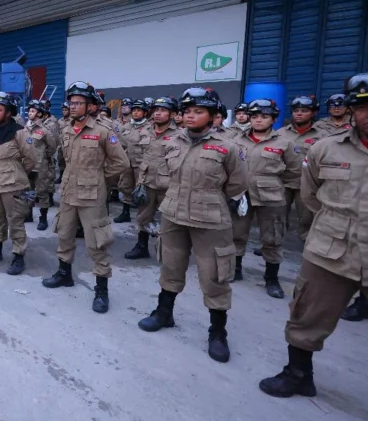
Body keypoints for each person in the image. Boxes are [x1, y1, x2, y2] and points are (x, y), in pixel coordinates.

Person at [258, 72, 368, 421]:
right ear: (351, 111)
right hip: (330, 252)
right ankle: (298, 375)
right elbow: (311, 197)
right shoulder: (326, 149)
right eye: (363, 106)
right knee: (305, 316)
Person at [137, 87, 248, 364]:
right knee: (170, 266)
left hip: (210, 218)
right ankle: (164, 313)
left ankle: (218, 332)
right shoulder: (173, 141)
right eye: (187, 111)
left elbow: (238, 184)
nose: (190, 116)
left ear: (212, 116)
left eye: (198, 111)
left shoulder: (228, 147)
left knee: (214, 275)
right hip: (174, 213)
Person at [42, 82, 132, 313]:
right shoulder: (66, 129)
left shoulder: (103, 131)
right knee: (64, 234)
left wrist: (101, 179)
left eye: (78, 103)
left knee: (97, 243)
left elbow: (121, 163)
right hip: (69, 192)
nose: (73, 107)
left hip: (92, 195)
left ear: (90, 105)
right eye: (71, 102)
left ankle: (101, 290)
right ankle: (64, 274)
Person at [229, 99, 301, 296]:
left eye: (264, 116)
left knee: (273, 237)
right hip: (241, 195)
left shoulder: (285, 143)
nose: (258, 120)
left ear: (274, 119)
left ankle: (271, 279)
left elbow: (293, 172)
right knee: (236, 233)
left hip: (271, 197)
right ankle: (235, 270)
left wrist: (271, 184)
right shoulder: (236, 141)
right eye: (255, 116)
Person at [0, 92, 37, 274]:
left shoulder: (20, 132)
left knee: (15, 221)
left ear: (9, 112)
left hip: (13, 185)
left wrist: (16, 173)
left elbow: (31, 159)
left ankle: (18, 255)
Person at [125, 96, 179, 260]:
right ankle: (141, 247)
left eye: (163, 110)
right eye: (156, 110)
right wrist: (139, 182)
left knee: (170, 220)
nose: (158, 113)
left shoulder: (180, 135)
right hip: (147, 183)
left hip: (168, 186)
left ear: (172, 114)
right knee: (143, 217)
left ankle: (168, 251)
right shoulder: (145, 131)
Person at [277, 95, 328, 243]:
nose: (299, 113)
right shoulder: (281, 133)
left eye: (304, 110)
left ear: (313, 113)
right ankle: (273, 244)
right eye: (296, 110)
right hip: (284, 182)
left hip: (307, 183)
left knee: (307, 216)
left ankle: (308, 244)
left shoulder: (322, 135)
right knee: (278, 215)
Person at [115, 99, 151, 224]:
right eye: (134, 110)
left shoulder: (149, 127)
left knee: (141, 190)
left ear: (145, 113)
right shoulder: (127, 126)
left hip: (141, 164)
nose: (135, 113)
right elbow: (120, 144)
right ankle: (125, 213)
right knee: (126, 187)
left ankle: (143, 217)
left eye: (139, 110)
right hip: (127, 162)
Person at [24, 99, 57, 230]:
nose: (30, 113)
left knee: (42, 192)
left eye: (33, 111)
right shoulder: (25, 129)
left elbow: (52, 148)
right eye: (29, 111)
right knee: (28, 191)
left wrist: (43, 158)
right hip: (27, 166)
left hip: (40, 167)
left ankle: (43, 218)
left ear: (39, 114)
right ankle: (28, 214)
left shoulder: (44, 130)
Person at [56, 101, 70, 184]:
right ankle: (61, 177)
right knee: (60, 161)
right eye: (63, 110)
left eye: (66, 110)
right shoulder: (60, 121)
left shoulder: (72, 121)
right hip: (61, 145)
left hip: (68, 145)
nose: (64, 112)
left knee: (68, 162)